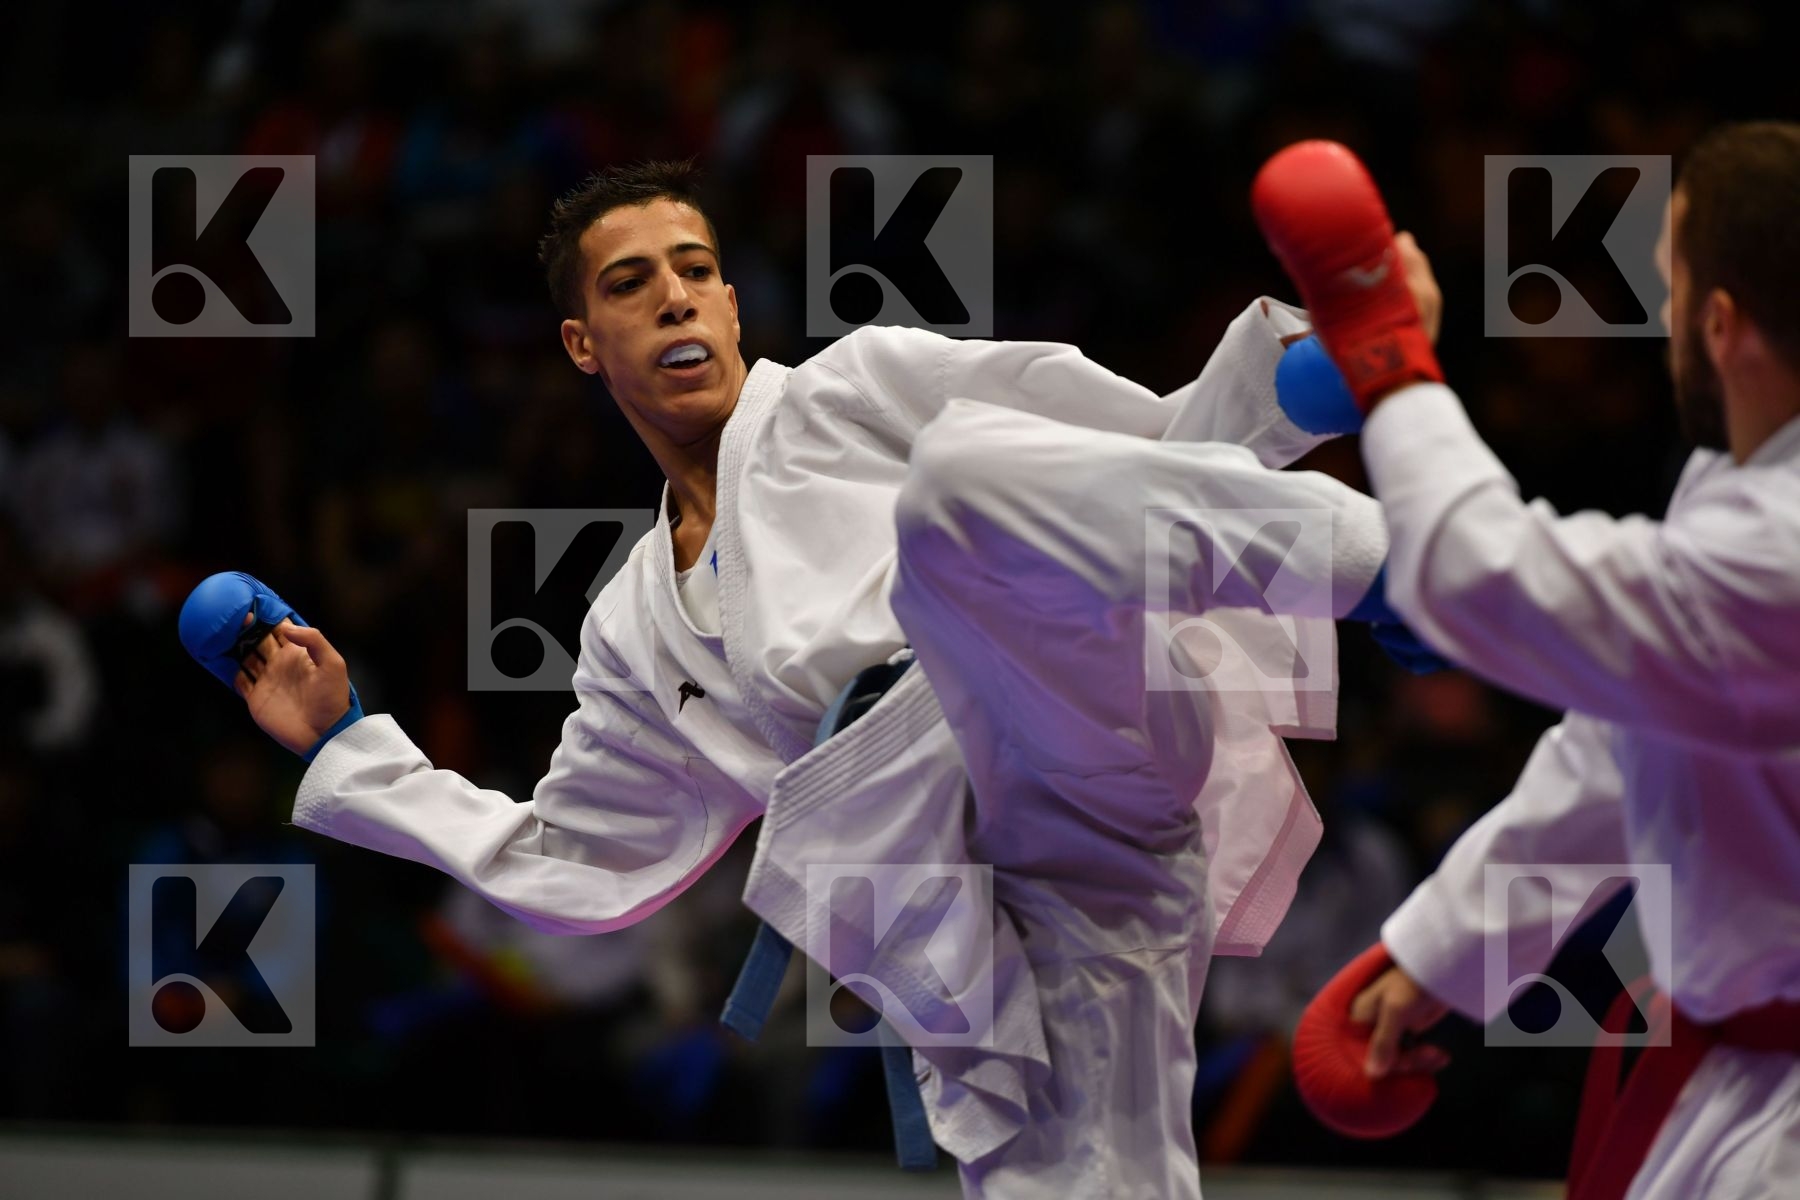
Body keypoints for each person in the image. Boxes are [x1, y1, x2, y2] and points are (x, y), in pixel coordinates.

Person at [208, 159, 1406, 1197]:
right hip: (984, 908)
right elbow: (571, 861)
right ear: (582, 343)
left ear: (732, 305)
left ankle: (1400, 564)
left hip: (1064, 709)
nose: (673, 295)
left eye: (694, 269)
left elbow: (1140, 460)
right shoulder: (632, 628)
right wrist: (348, 748)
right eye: (629, 283)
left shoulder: (854, 389)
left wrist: (1288, 390)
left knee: (963, 488)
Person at [1255, 124, 1800, 1199]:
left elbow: (1480, 573)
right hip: (1734, 1074)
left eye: (1672, 291)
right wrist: (1446, 951)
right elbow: (1622, 743)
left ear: (1722, 324)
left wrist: (1386, 348)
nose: (1663, 327)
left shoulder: (1779, 548)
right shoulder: (1740, 488)